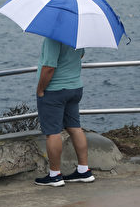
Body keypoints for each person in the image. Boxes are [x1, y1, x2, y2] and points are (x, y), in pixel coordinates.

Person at [34, 37, 95, 187]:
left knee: (53, 132)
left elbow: (49, 67)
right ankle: (83, 170)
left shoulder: (52, 39)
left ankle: (55, 175)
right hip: (75, 87)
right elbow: (81, 55)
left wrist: (40, 89)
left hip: (55, 90)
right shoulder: (77, 36)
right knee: (74, 127)